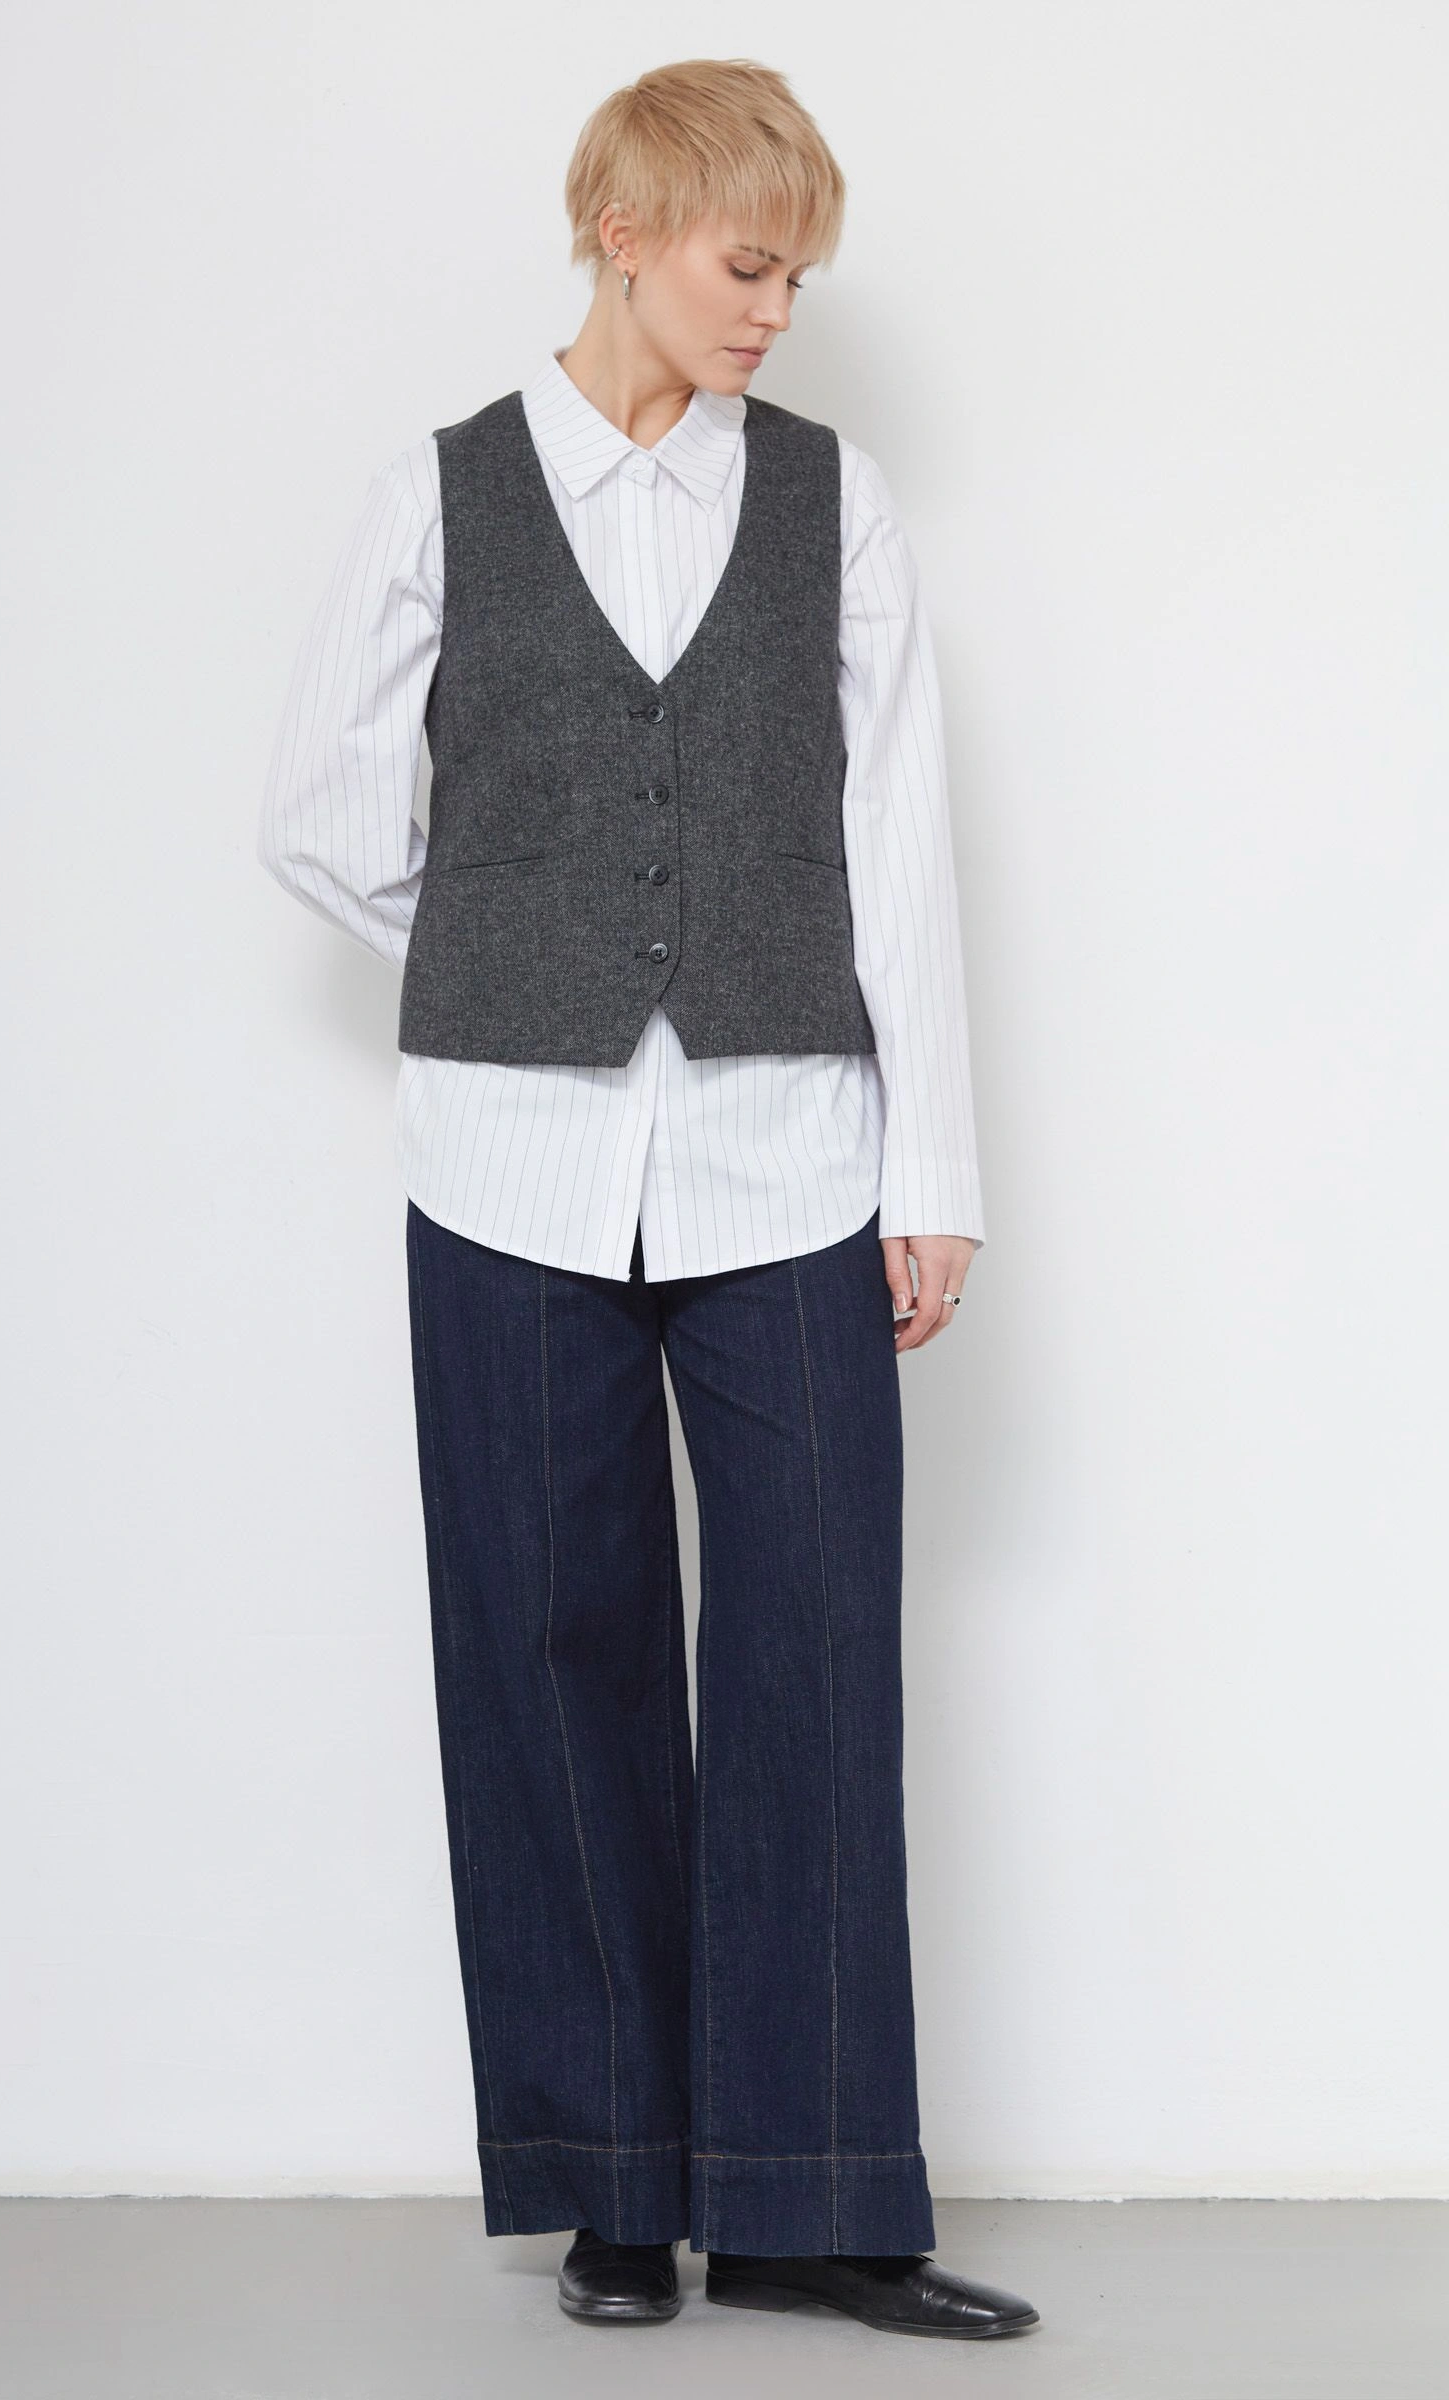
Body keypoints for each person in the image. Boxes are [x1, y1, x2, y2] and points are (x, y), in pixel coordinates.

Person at [258, 55, 1039, 2345]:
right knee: (547, 1651)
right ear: (620, 229)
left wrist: (933, 1176)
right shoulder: (440, 495)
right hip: (504, 1168)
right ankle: (611, 2183)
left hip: (789, 1156)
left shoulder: (829, 503)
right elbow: (317, 814)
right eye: (745, 261)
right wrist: (512, 954)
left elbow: (897, 846)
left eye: (796, 274)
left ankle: (806, 2201)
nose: (774, 308)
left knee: (810, 1658)